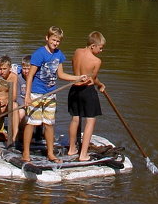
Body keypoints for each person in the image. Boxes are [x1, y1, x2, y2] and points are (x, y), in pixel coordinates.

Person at [22, 26, 86, 163]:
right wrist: (27, 96)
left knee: (49, 124)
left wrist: (78, 77)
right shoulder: (39, 53)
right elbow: (30, 75)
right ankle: (26, 153)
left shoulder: (59, 55)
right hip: (36, 93)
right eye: (53, 40)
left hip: (51, 94)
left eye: (58, 41)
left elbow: (61, 74)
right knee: (31, 123)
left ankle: (50, 153)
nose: (55, 43)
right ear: (47, 38)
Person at [66, 31, 106, 161]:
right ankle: (83, 154)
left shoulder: (77, 52)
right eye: (100, 48)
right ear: (93, 45)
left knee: (75, 119)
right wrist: (101, 85)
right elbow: (92, 79)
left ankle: (72, 149)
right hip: (86, 91)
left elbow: (75, 68)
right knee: (90, 121)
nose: (101, 50)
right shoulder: (96, 61)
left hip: (74, 89)